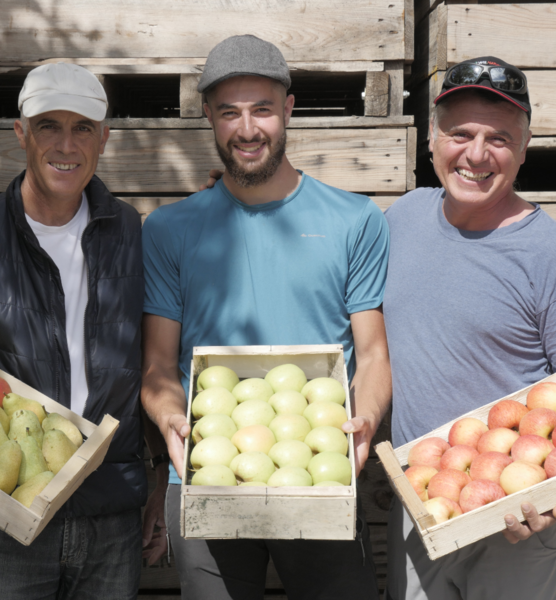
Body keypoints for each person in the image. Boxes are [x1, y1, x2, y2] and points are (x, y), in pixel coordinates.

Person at [0, 62, 166, 599]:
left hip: (112, 515)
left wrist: (158, 489)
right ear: (21, 132)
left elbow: (153, 370)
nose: (66, 144)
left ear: (104, 139)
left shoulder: (134, 236)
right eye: (49, 125)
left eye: (82, 127)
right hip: (4, 519)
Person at [139, 35, 392, 600]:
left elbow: (372, 352)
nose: (247, 129)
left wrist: (366, 419)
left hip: (322, 468)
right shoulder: (168, 230)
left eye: (262, 110)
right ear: (208, 115)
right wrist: (171, 421)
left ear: (289, 110)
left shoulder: (354, 220)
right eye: (229, 112)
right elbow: (157, 364)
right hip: (205, 472)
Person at [382, 57, 556, 599]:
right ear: (433, 141)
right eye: (461, 133)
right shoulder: (403, 218)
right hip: (423, 508)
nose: (477, 155)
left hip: (520, 521)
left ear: (525, 148)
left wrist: (549, 495)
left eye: (499, 139)